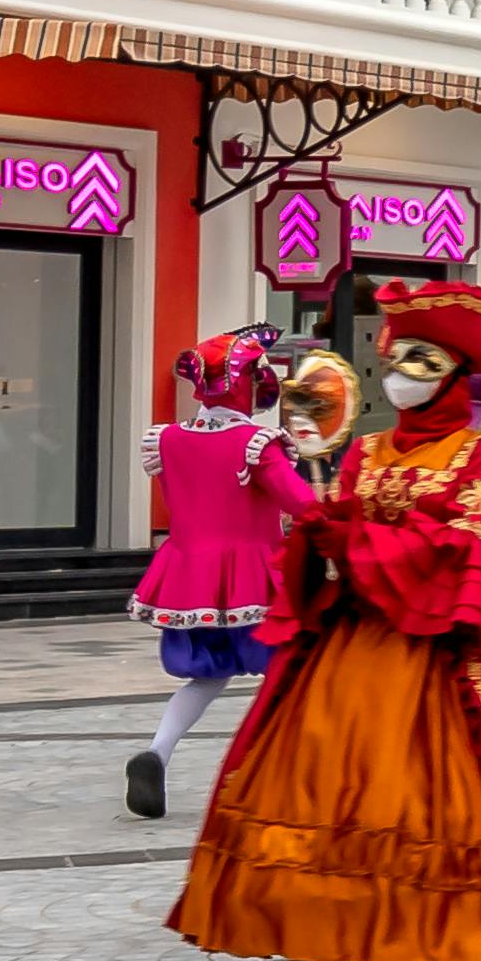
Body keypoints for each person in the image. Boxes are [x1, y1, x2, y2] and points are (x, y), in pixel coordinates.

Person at [164, 285, 481, 961]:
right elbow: (335, 517)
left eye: (419, 363)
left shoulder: (480, 454)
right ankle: (327, 926)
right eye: (394, 361)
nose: (399, 375)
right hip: (354, 638)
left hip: (449, 636)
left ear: (453, 376)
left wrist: (360, 542)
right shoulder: (366, 449)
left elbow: (460, 542)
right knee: (323, 768)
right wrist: (320, 535)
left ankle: (427, 930)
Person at [126, 329, 312, 820]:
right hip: (255, 575)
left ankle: (157, 752)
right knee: (290, 673)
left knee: (208, 678)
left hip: (190, 578)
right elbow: (301, 504)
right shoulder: (257, 442)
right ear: (244, 383)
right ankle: (279, 777)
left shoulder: (166, 438)